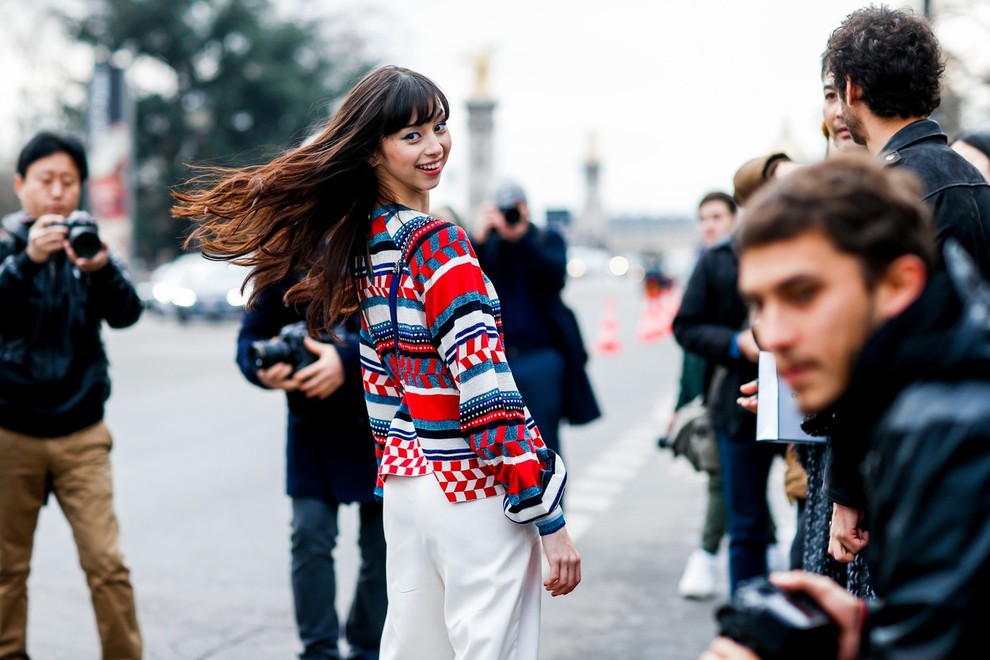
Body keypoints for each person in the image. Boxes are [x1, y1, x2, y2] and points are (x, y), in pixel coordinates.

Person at [172, 65, 580, 660]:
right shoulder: (439, 244)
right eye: (410, 135)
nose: (435, 145)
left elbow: (382, 391)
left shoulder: (366, 247)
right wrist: (547, 513)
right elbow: (488, 392)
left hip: (408, 485)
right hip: (471, 488)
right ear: (372, 152)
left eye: (438, 127)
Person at [702, 153, 990, 659]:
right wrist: (862, 633)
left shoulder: (950, 426)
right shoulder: (929, 389)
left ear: (897, 285)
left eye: (803, 293)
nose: (773, 333)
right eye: (761, 304)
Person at [821, 3, 990, 567]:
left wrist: (847, 490)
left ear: (851, 88)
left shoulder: (885, 200)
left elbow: (869, 358)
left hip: (904, 463)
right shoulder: (975, 181)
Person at [0, 131, 143, 658]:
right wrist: (26, 262)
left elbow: (127, 315)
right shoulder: (6, 247)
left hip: (82, 431)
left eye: (68, 181)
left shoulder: (92, 242)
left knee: (107, 564)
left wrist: (101, 269)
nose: (57, 192)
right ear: (21, 185)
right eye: (46, 180)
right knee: (5, 568)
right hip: (10, 430)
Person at [235, 275, 386, 660]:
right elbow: (250, 338)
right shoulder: (285, 253)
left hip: (382, 425)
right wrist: (261, 367)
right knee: (309, 537)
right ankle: (318, 652)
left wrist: (347, 360)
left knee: (382, 546)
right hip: (312, 425)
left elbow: (408, 330)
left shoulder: (377, 238)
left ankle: (368, 648)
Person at [672, 185, 785, 597]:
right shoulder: (718, 261)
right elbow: (686, 326)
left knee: (813, 508)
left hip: (804, 396)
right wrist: (738, 343)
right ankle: (749, 613)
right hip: (738, 402)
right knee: (745, 518)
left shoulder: (803, 247)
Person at [470, 180, 600, 462]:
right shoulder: (487, 244)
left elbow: (555, 278)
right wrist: (479, 238)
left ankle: (551, 505)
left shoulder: (545, 239)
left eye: (513, 209)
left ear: (526, 209)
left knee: (544, 443)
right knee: (499, 445)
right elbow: (468, 285)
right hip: (496, 361)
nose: (509, 217)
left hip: (541, 358)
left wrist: (522, 236)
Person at [667, 191, 738, 600]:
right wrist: (681, 404)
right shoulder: (706, 266)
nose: (709, 225)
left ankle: (708, 554)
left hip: (741, 385)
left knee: (732, 477)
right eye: (703, 219)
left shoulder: (739, 262)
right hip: (717, 393)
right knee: (722, 474)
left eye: (716, 216)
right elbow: (690, 351)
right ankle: (710, 556)